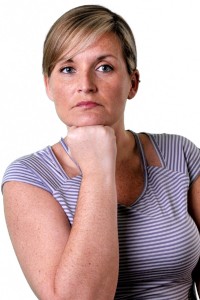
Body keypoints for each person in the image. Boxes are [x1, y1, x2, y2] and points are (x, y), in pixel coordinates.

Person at [1, 4, 200, 300]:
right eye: (68, 69)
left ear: (132, 83)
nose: (85, 86)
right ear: (49, 86)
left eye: (104, 67)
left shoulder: (180, 154)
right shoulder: (29, 178)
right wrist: (97, 170)